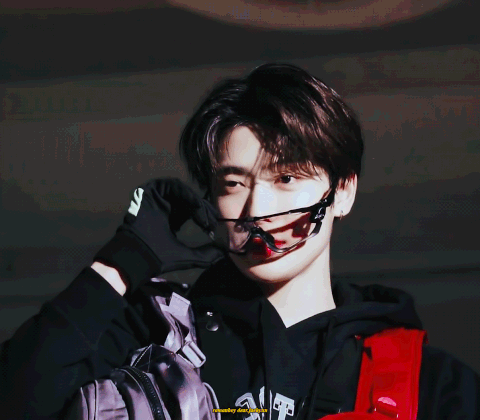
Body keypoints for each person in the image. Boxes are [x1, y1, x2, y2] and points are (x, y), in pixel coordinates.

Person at [1, 63, 479, 420]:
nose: (256, 210)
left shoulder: (428, 381)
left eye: (286, 178)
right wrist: (122, 262)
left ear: (343, 192)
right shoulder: (147, 339)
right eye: (233, 184)